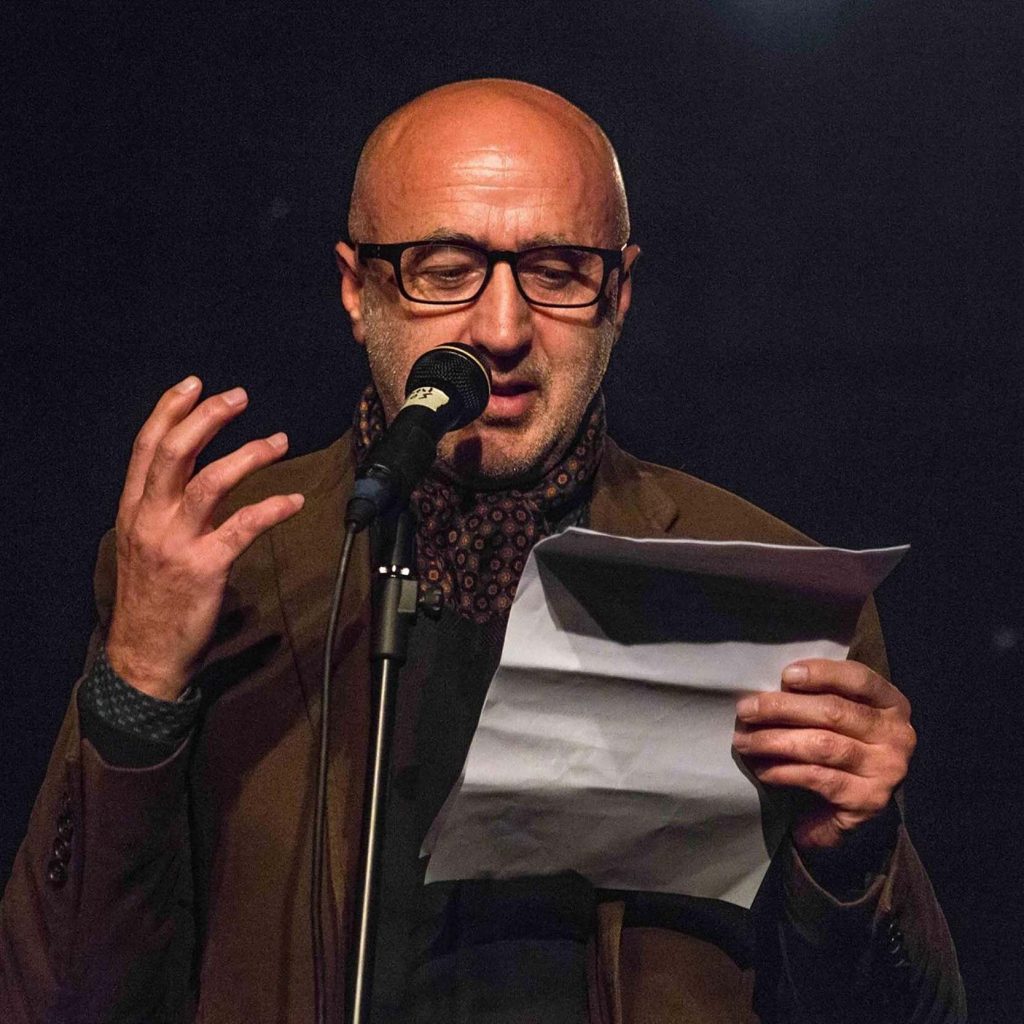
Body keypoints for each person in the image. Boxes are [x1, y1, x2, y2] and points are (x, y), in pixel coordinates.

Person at [0, 79, 965, 1023]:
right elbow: (61, 998)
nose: (501, 331)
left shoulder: (770, 589)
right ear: (356, 288)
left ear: (619, 293)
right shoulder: (225, 562)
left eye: (558, 272)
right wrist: (137, 689)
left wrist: (852, 858)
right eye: (444, 268)